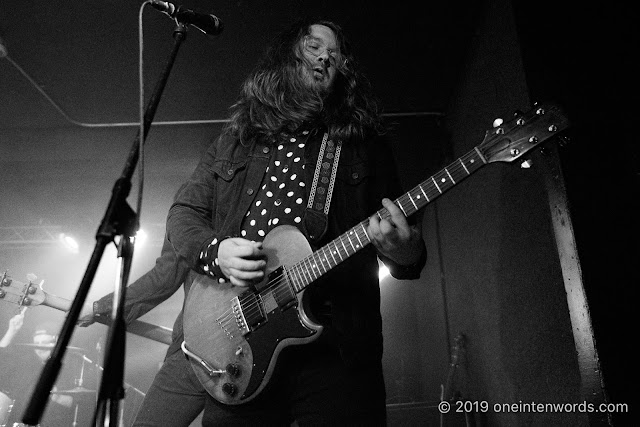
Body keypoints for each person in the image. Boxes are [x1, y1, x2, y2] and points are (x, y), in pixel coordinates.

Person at [131, 17, 427, 426]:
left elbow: (408, 248)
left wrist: (402, 249)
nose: (327, 56)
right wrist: (217, 253)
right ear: (286, 57)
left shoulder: (364, 144)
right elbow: (184, 213)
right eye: (314, 46)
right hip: (237, 342)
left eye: (336, 55)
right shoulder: (235, 139)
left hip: (335, 353)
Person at [0, 312, 83, 426]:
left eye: (44, 343)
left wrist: (58, 397)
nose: (39, 348)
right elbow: (2, 362)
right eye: (36, 344)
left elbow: (84, 404)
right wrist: (11, 331)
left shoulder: (74, 367)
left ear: (57, 342)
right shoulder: (27, 366)